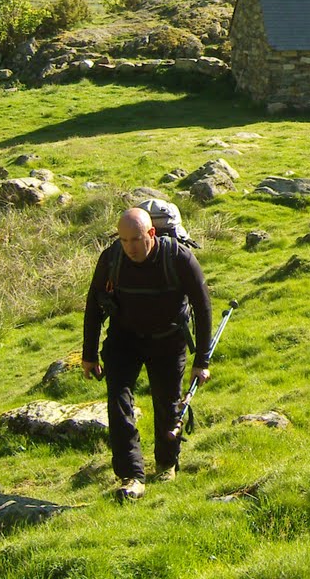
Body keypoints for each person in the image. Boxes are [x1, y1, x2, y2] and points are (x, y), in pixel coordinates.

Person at [82, 206, 213, 500]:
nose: (130, 247)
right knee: (118, 403)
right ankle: (131, 475)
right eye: (124, 240)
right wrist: (89, 354)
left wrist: (201, 361)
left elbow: (203, 306)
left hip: (168, 340)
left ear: (151, 233)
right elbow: (93, 304)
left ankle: (166, 463)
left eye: (136, 240)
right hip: (124, 340)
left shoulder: (178, 258)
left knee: (168, 404)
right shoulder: (112, 258)